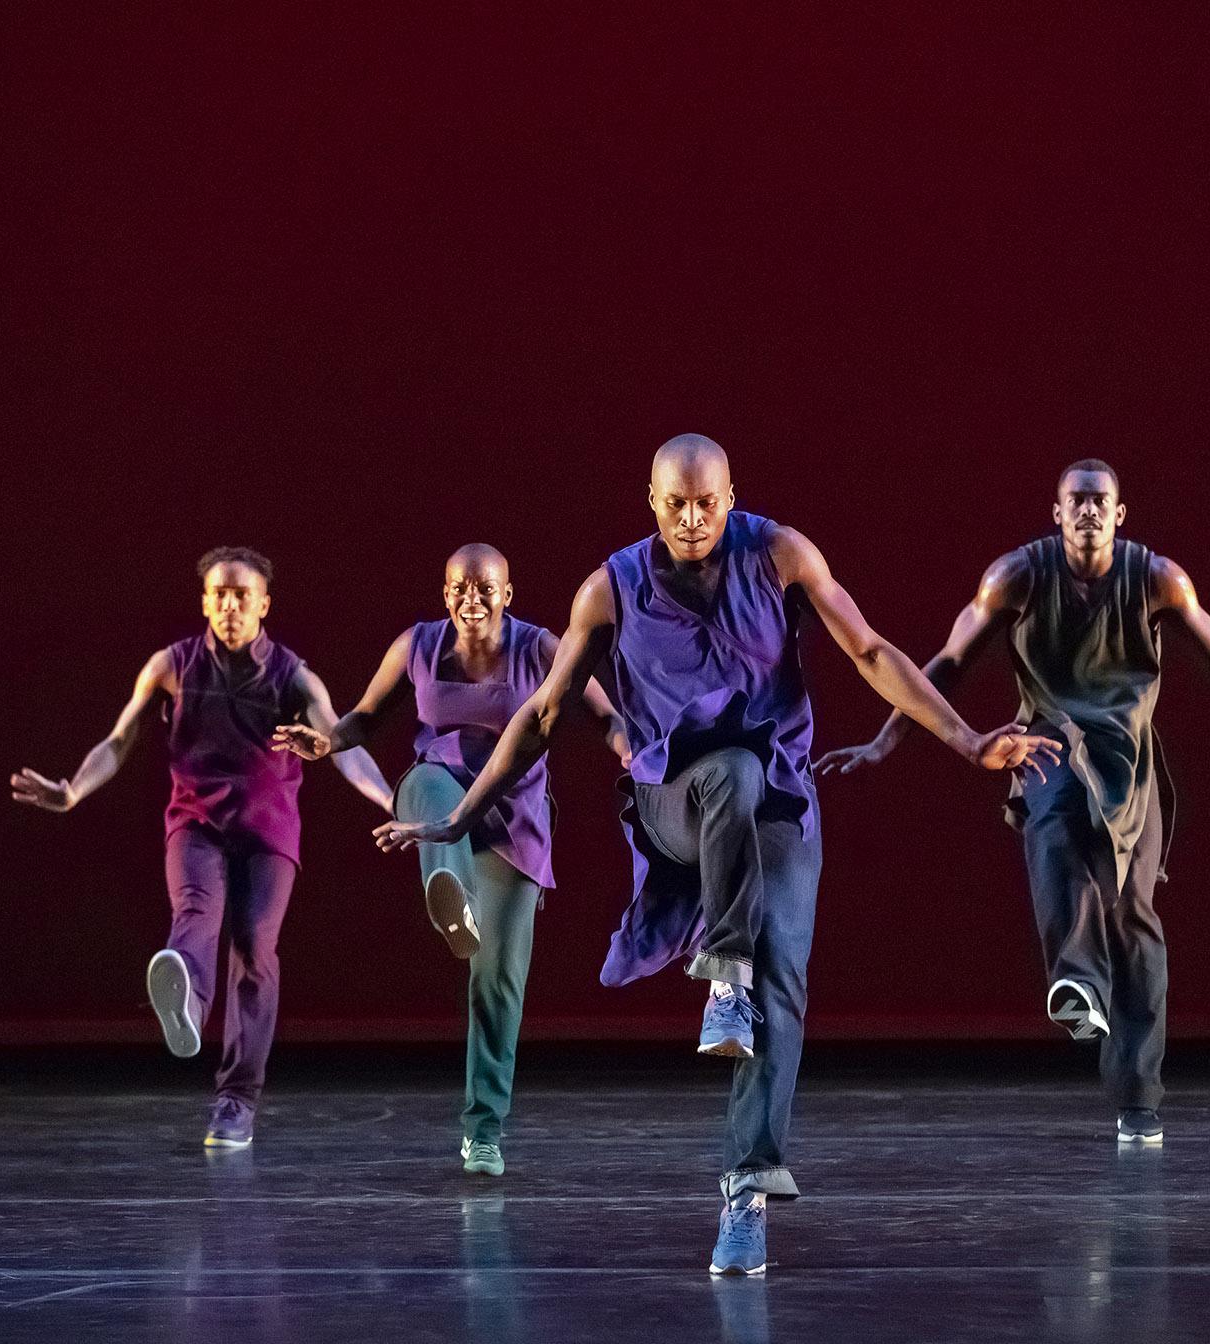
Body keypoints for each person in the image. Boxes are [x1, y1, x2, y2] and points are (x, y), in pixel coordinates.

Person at [373, 434, 1060, 1276]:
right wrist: (458, 818)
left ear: (731, 496)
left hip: (778, 803)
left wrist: (966, 741)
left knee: (786, 979)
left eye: (708, 502)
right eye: (676, 503)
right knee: (726, 771)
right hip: (676, 801)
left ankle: (744, 1190)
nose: (693, 518)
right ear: (651, 502)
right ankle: (723, 969)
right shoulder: (610, 588)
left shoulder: (779, 555)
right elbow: (545, 713)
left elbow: (871, 652)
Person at [817, 459, 1210, 1146]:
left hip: (1131, 758)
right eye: (1078, 502)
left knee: (1134, 919)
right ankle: (1075, 983)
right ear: (1058, 513)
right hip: (1045, 741)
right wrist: (884, 743)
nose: (1091, 512)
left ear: (1120, 514)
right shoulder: (1015, 577)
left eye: (1102, 502)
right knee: (1056, 823)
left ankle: (1137, 1097)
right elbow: (946, 663)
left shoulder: (1158, 578)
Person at [12, 547, 391, 1148]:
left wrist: (392, 802)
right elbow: (120, 738)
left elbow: (343, 744)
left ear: (264, 604)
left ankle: (236, 1100)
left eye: (242, 595)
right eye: (219, 593)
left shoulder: (293, 675)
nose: (230, 604)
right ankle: (186, 997)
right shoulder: (172, 665)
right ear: (205, 602)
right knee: (195, 910)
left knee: (255, 946)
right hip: (196, 824)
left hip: (268, 833)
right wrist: (73, 791)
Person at [273, 543, 628, 1176]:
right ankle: (453, 896)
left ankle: (483, 1132)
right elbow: (364, 717)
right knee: (430, 791)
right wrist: (327, 742)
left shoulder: (541, 646)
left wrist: (627, 747)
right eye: (460, 587)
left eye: (485, 587)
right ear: (445, 594)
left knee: (497, 984)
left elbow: (602, 713)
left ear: (507, 595)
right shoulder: (416, 647)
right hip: (438, 787)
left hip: (515, 815)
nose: (472, 597)